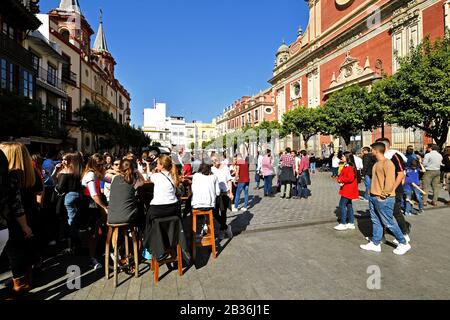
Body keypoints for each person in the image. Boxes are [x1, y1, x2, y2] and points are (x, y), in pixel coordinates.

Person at [0, 143, 41, 296]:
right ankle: (26, 281)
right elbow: (39, 192)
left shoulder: (10, 176)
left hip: (14, 219)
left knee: (15, 253)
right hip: (30, 215)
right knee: (26, 250)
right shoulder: (32, 172)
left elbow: (15, 204)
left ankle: (20, 284)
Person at [360, 142, 411, 255]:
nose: (370, 151)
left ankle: (403, 243)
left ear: (377, 150)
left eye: (372, 149)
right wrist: (371, 193)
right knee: (376, 220)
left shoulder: (388, 164)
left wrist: (384, 195)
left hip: (383, 198)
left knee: (388, 222)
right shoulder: (377, 164)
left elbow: (389, 181)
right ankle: (376, 243)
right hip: (374, 196)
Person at [376, 138, 410, 243]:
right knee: (382, 212)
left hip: (394, 190)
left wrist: (393, 188)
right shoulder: (381, 157)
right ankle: (380, 236)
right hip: (383, 189)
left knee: (396, 211)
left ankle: (404, 234)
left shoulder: (394, 156)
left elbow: (401, 173)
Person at [81, 153, 109, 270]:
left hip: (93, 205)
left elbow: (107, 179)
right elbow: (94, 195)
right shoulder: (91, 175)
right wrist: (104, 207)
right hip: (91, 205)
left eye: (103, 164)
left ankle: (96, 253)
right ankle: (92, 258)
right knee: (93, 233)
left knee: (97, 231)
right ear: (94, 164)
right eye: (100, 164)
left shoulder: (95, 173)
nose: (102, 166)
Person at [54, 152, 84, 252]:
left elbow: (59, 188)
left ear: (70, 161)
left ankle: (73, 246)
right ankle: (75, 243)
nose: (63, 161)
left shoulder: (65, 171)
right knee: (75, 220)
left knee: (71, 221)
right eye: (62, 159)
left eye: (65, 159)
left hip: (69, 197)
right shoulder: (77, 170)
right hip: (78, 195)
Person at [108, 159, 146, 225]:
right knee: (141, 208)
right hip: (127, 217)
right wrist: (137, 171)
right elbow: (143, 181)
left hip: (111, 218)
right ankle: (140, 233)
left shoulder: (114, 178)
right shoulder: (133, 181)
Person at [191, 163, 221, 238]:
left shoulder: (196, 176)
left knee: (195, 209)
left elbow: (193, 190)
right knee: (208, 211)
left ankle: (200, 228)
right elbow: (218, 192)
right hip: (209, 205)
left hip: (196, 205)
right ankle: (206, 225)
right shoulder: (214, 177)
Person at [146, 155, 180, 220]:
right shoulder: (173, 176)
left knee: (148, 215)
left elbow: (148, 177)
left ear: (162, 166)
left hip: (158, 209)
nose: (156, 165)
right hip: (173, 207)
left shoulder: (156, 176)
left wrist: (153, 170)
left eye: (157, 163)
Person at [334, 152, 359, 231]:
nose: (342, 157)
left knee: (342, 205)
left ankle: (343, 223)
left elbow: (350, 178)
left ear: (348, 157)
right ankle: (351, 222)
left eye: (344, 156)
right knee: (349, 205)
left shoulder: (349, 167)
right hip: (348, 188)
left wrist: (341, 179)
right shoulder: (347, 165)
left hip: (348, 189)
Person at [211, 156, 234, 239]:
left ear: (219, 159)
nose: (214, 162)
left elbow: (229, 180)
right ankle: (227, 227)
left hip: (224, 193)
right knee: (215, 213)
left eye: (215, 160)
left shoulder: (225, 168)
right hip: (216, 194)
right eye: (212, 161)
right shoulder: (212, 169)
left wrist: (230, 192)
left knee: (223, 212)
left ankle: (221, 231)